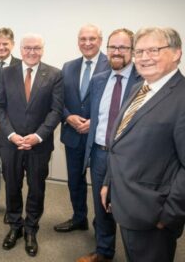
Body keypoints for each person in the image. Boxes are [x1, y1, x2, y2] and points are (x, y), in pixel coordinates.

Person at [101, 27, 185, 262]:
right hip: (126, 203)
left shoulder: (181, 97)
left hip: (153, 214)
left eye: (154, 50)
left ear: (177, 53)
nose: (144, 57)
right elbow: (120, 142)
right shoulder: (141, 88)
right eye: (139, 52)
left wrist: (169, 216)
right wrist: (109, 183)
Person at [0, 34, 63, 256]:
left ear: (43, 49)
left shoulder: (54, 74)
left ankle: (31, 228)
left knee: (36, 188)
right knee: (12, 186)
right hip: (10, 143)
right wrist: (12, 135)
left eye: (36, 48)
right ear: (20, 49)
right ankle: (15, 226)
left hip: (39, 145)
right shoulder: (6, 73)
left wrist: (39, 136)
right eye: (27, 48)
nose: (31, 52)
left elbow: (56, 110)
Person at [76, 29, 142, 262]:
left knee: (129, 207)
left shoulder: (143, 81)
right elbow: (100, 117)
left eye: (123, 48)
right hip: (99, 153)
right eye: (113, 47)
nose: (117, 52)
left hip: (129, 158)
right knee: (101, 205)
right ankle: (104, 252)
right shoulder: (98, 80)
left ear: (133, 51)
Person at [55, 24, 110, 233]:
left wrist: (93, 123)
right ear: (78, 41)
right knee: (74, 181)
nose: (87, 43)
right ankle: (79, 218)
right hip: (73, 135)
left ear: (100, 40)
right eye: (83, 39)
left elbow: (117, 103)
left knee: (99, 185)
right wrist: (68, 117)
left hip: (100, 139)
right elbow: (58, 99)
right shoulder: (68, 66)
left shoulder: (111, 65)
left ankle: (102, 225)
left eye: (92, 38)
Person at [0, 27, 21, 212]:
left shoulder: (20, 65)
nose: (1, 48)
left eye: (5, 44)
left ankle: (12, 208)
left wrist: (5, 122)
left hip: (11, 128)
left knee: (10, 172)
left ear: (13, 45)